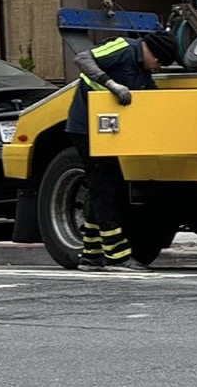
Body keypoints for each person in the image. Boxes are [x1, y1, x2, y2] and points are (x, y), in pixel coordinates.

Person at [66, 30, 178, 272]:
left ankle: (91, 256)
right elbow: (83, 59)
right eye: (159, 62)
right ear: (152, 51)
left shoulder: (144, 71)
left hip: (108, 131)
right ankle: (117, 257)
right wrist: (111, 84)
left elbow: (149, 97)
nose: (158, 67)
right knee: (106, 187)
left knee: (105, 186)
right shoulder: (123, 47)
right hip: (87, 128)